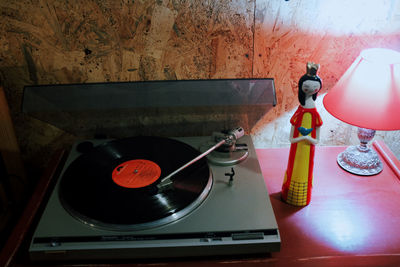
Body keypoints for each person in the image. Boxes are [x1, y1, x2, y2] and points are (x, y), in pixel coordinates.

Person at [281, 62, 323, 206]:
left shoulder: (314, 115)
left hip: (308, 152)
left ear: (318, 89)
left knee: (306, 173)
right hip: (296, 152)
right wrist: (305, 137)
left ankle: (303, 197)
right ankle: (289, 194)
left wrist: (306, 138)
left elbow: (317, 140)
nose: (311, 89)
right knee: (294, 171)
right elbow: (291, 139)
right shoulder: (299, 113)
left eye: (314, 87)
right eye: (307, 87)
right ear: (301, 87)